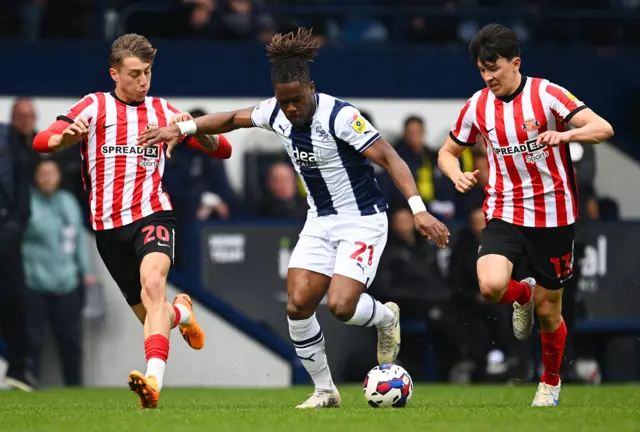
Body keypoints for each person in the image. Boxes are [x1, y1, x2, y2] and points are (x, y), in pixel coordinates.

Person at [138, 27, 450, 409]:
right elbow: (233, 118)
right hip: (320, 220)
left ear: (311, 87)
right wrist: (183, 127)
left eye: (297, 100)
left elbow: (390, 156)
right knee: (297, 305)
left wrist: (418, 210)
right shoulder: (275, 112)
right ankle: (324, 390)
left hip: (362, 220)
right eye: (284, 102)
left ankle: (385, 318)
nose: (290, 109)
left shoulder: (340, 115)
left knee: (340, 306)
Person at [32, 33, 233, 408]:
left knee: (153, 285)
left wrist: (195, 129)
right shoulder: (93, 106)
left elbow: (223, 149)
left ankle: (152, 382)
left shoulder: (162, 111)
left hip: (152, 213)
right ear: (114, 74)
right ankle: (182, 312)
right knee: (153, 314)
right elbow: (41, 140)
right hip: (108, 230)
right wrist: (62, 140)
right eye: (136, 73)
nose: (144, 81)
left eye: (149, 73)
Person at [437, 24, 614, 407]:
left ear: (515, 62)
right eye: (482, 70)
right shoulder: (477, 105)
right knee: (490, 286)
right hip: (505, 211)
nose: (488, 77)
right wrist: (456, 174)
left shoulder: (547, 95)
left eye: (494, 68)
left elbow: (603, 128)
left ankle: (549, 383)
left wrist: (565, 136)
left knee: (551, 311)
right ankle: (522, 297)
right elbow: (446, 152)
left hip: (555, 217)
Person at [22, 159, 96, 387]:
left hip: (67, 281)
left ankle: (74, 385)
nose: (47, 178)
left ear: (59, 176)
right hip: (34, 280)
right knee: (32, 340)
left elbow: (77, 242)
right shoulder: (26, 202)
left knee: (70, 339)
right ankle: (29, 383)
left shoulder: (68, 201)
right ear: (35, 176)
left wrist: (87, 271)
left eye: (51, 173)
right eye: (42, 173)